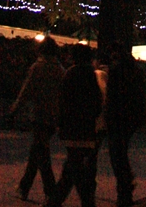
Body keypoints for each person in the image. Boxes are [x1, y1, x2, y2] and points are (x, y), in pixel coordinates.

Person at [9, 36, 65, 203]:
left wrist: (15, 109)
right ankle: (24, 187)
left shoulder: (37, 67)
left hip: (39, 114)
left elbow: (26, 90)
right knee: (38, 151)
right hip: (53, 116)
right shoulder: (60, 70)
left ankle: (51, 192)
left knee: (41, 154)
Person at [48, 42, 103, 207]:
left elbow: (62, 100)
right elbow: (97, 102)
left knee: (74, 167)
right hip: (86, 127)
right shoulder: (90, 74)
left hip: (72, 127)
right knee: (75, 165)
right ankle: (59, 200)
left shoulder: (71, 73)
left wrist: (60, 122)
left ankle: (59, 200)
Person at [105, 41, 146, 207]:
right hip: (131, 117)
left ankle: (124, 190)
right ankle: (125, 188)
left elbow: (111, 96)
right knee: (121, 154)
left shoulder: (116, 70)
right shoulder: (136, 70)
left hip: (117, 117)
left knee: (117, 156)